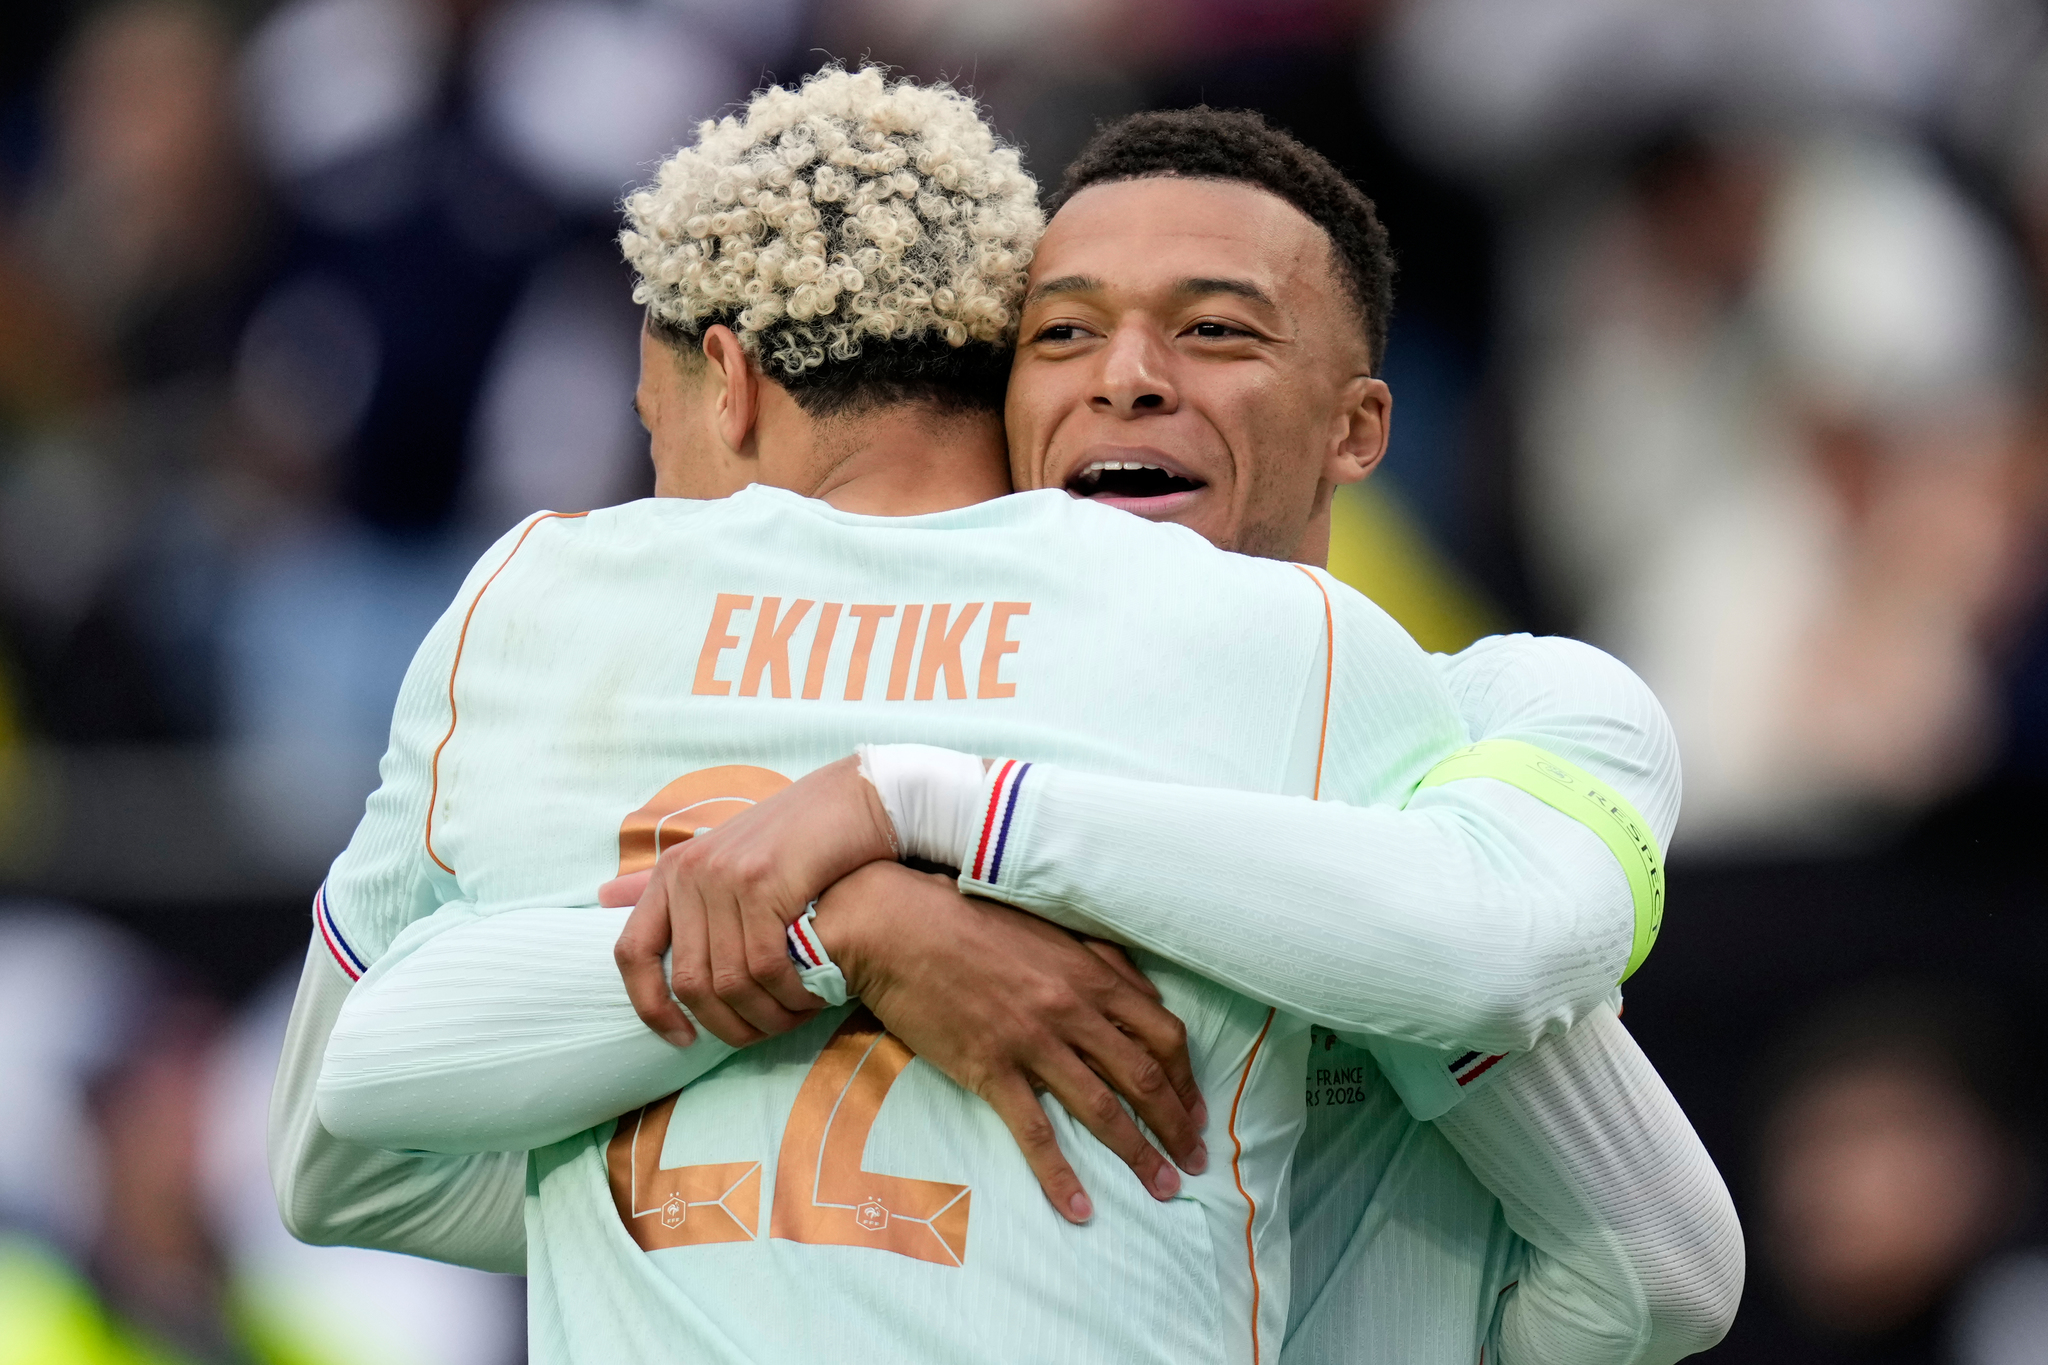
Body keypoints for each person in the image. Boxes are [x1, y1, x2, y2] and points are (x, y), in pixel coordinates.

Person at [271, 72, 1738, 1362]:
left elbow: (1620, 1178)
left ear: (1360, 422)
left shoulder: (1491, 710)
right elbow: (356, 1117)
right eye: (1064, 332)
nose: (1129, 377)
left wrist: (927, 816)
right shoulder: (815, 694)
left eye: (1216, 330)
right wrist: (851, 943)